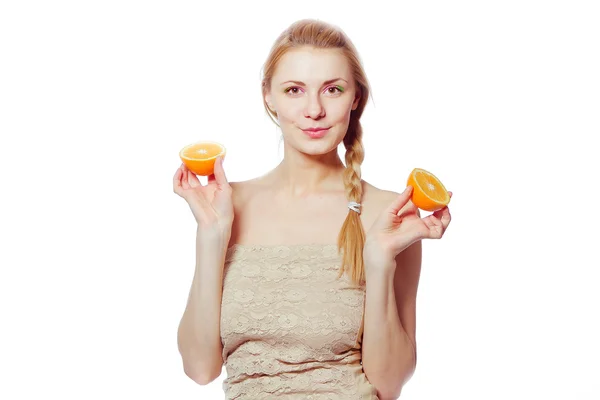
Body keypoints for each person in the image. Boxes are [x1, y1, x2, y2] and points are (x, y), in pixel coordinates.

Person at [173, 18, 452, 400]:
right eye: (294, 90)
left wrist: (380, 259)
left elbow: (388, 383)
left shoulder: (389, 214)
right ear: (268, 96)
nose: (314, 110)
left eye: (333, 90)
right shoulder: (226, 206)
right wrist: (211, 234)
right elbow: (199, 368)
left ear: (355, 98)